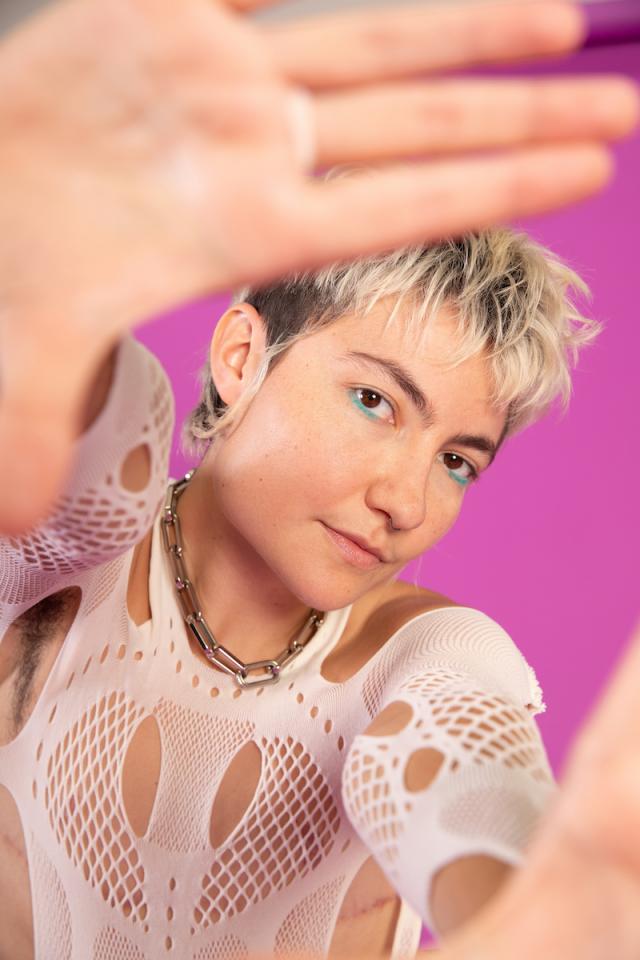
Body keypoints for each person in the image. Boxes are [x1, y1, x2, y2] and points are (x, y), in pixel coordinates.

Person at [0, 0, 639, 959]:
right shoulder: (67, 552)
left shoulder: (424, 662)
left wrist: (539, 910)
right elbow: (90, 442)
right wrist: (35, 271)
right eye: (376, 402)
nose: (409, 503)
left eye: (458, 460)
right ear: (241, 353)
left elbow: (466, 774)